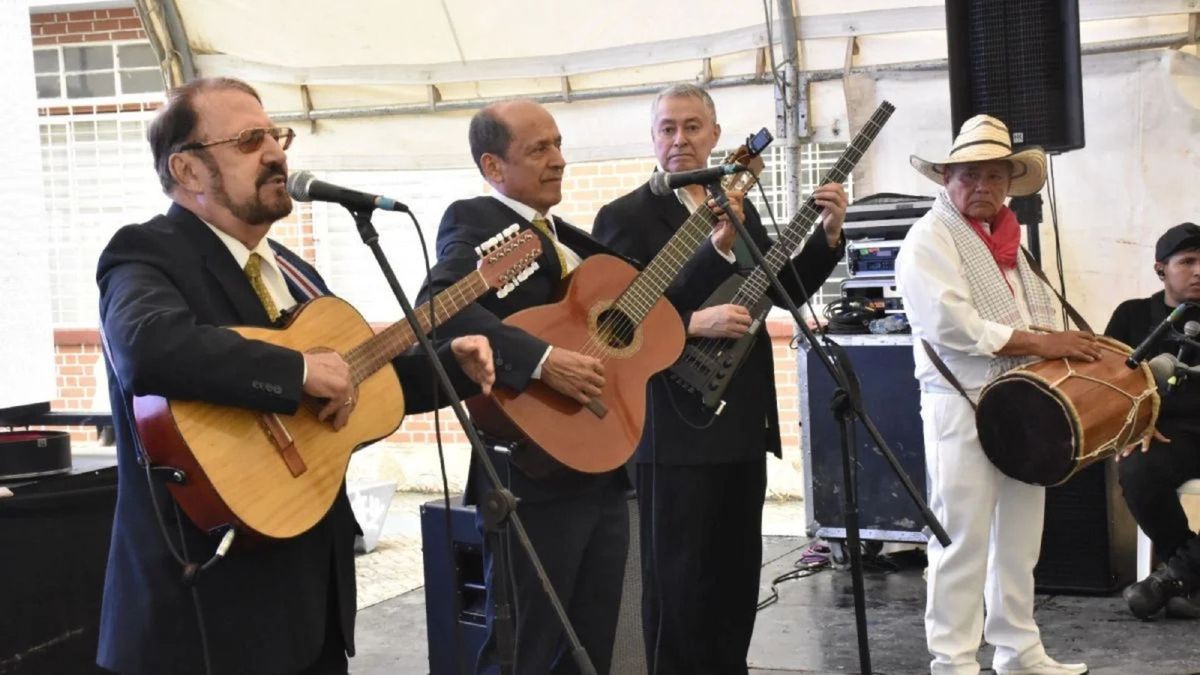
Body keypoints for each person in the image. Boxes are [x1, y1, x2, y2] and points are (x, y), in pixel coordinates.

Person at [95, 77, 494, 675]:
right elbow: (146, 348)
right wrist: (297, 370)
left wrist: (453, 370)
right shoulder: (147, 252)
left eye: (276, 135)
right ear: (188, 170)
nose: (277, 152)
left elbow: (360, 380)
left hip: (311, 605)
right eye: (249, 140)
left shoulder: (295, 272)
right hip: (203, 609)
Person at [591, 83, 847, 674]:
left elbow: (781, 292)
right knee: (677, 586)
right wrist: (691, 320)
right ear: (654, 138)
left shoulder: (740, 204)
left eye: (690, 127)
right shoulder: (626, 217)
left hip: (739, 422)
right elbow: (614, 321)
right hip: (672, 429)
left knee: (734, 581)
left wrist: (829, 236)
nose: (678, 139)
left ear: (714, 135)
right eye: (666, 128)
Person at [896, 114, 1099, 675]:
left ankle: (1017, 650)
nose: (982, 186)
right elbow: (952, 325)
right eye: (969, 175)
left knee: (1018, 537)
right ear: (947, 178)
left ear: (1010, 182)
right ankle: (953, 662)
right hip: (959, 402)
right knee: (960, 538)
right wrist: (1046, 340)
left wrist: (1060, 350)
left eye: (994, 175)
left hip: (1023, 403)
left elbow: (1042, 316)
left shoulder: (1010, 241)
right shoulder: (927, 240)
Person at [1106, 222, 1200, 619]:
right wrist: (1135, 425)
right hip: (1165, 433)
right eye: (1188, 261)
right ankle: (1187, 577)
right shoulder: (1133, 316)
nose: (1199, 271)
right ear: (1161, 268)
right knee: (1137, 469)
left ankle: (1178, 576)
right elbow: (1107, 383)